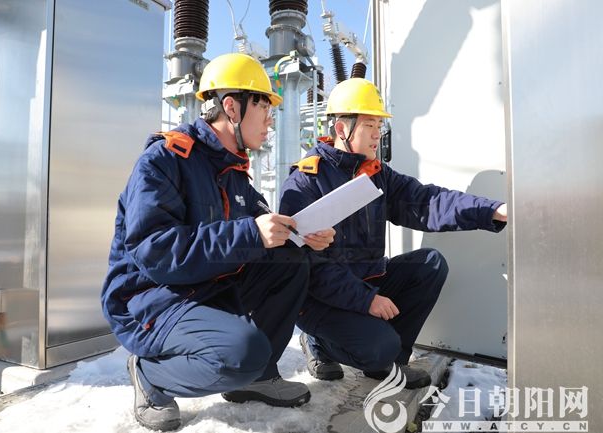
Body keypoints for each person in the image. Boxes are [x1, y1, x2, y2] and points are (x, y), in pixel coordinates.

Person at [101, 53, 335, 431]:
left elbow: (261, 229)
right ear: (232, 107)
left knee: (291, 261)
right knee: (241, 354)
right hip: (151, 299)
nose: (271, 120)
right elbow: (155, 251)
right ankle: (151, 375)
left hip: (203, 286)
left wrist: (301, 236)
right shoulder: (164, 160)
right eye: (264, 108)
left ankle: (258, 377)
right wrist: (251, 233)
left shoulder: (233, 170)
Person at [279, 78, 507, 389]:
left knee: (430, 264)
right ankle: (318, 343)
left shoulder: (377, 174)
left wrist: (493, 210)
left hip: (365, 280)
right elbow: (309, 268)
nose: (378, 134)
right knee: (377, 346)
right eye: (369, 125)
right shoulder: (306, 181)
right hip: (320, 298)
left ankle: (391, 363)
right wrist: (366, 300)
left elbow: (429, 201)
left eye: (379, 125)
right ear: (342, 129)